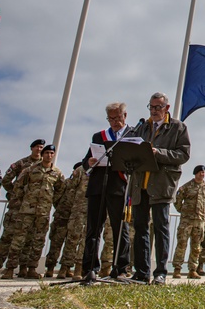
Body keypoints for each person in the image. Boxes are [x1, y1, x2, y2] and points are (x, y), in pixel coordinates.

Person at [130, 92, 191, 285]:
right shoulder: (141, 127)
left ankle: (160, 273)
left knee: (160, 228)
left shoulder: (178, 127)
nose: (154, 110)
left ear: (167, 108)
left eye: (158, 107)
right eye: (151, 107)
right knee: (140, 228)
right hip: (140, 185)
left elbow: (183, 154)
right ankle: (141, 271)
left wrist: (159, 153)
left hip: (162, 185)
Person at [80, 102, 132, 282]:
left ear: (125, 116)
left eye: (118, 118)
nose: (115, 122)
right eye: (111, 118)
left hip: (119, 187)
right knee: (93, 229)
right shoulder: (99, 135)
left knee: (121, 230)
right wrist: (90, 162)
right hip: (97, 186)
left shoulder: (132, 134)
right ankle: (89, 269)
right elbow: (85, 160)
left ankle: (121, 269)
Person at [2, 144, 65, 279]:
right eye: (47, 152)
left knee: (38, 241)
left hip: (43, 212)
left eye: (51, 153)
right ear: (42, 154)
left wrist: (51, 201)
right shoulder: (30, 170)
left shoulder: (57, 173)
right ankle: (10, 268)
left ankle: (32, 268)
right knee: (18, 240)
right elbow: (18, 186)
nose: (49, 155)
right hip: (26, 210)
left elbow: (60, 190)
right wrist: (19, 201)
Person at [172, 165, 205, 279]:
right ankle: (177, 269)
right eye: (200, 172)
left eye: (203, 172)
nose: (202, 174)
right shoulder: (186, 186)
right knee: (182, 244)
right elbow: (177, 200)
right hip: (186, 220)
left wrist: (203, 214)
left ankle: (193, 270)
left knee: (196, 247)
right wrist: (182, 210)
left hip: (199, 221)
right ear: (195, 173)